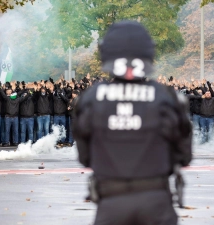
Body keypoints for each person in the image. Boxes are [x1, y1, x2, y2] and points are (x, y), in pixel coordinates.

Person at [73, 21, 192, 225]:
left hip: (110, 204)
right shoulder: (167, 98)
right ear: (149, 53)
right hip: (157, 203)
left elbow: (84, 158)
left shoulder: (90, 99)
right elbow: (184, 155)